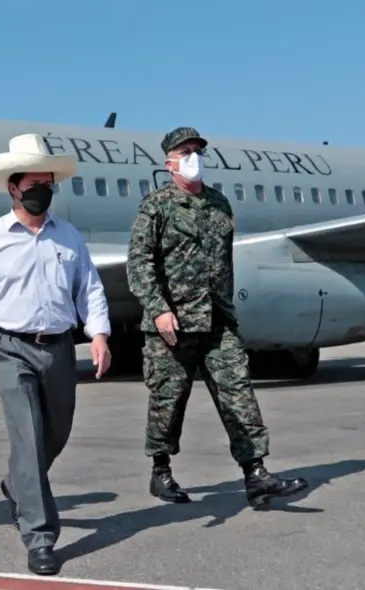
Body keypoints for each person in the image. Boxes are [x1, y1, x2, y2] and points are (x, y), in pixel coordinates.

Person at [126, 126, 309, 510]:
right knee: (168, 400)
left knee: (238, 394)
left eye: (198, 150)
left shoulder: (220, 203)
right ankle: (161, 471)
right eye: (186, 151)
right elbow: (139, 263)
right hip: (173, 325)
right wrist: (159, 309)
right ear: (169, 162)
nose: (194, 157)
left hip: (217, 321)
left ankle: (256, 475)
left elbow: (223, 262)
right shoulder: (155, 206)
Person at [0, 133, 112, 576]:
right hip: (8, 348)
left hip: (59, 347)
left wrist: (98, 335)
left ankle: (16, 485)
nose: (43, 191)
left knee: (55, 433)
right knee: (27, 435)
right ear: (13, 187)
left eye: (49, 183)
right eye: (34, 183)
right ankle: (40, 536)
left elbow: (90, 289)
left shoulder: (69, 237)